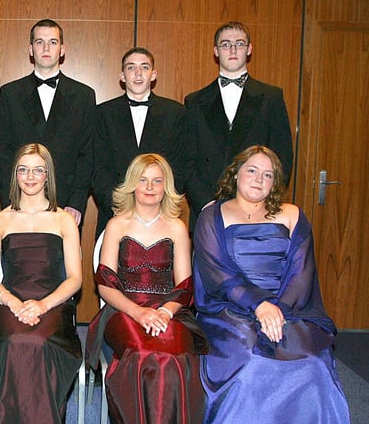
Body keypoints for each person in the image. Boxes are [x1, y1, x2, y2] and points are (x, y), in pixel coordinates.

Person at [193, 145, 350, 423]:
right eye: (252, 171)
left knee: (313, 366)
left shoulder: (292, 215)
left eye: (268, 175)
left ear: (275, 182)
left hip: (288, 309)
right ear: (235, 174)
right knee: (253, 365)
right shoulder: (211, 216)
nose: (258, 179)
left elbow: (302, 272)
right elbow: (217, 274)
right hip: (230, 310)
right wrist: (258, 305)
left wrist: (277, 310)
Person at [86, 154, 208, 424]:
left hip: (169, 311)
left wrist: (164, 312)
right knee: (142, 354)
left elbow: (185, 286)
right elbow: (105, 285)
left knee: (173, 354)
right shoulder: (116, 225)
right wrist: (138, 313)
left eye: (157, 181)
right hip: (123, 310)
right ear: (132, 184)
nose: (150, 187)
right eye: (143, 180)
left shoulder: (177, 227)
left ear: (167, 186)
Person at [0, 143, 82, 423]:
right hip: (9, 301)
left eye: (38, 170)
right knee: (13, 339)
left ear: (48, 176)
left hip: (53, 303)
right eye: (23, 170)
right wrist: (13, 302)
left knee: (38, 340)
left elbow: (76, 279)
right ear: (15, 175)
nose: (30, 177)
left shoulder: (65, 220)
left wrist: (42, 304)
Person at [184, 21, 293, 226]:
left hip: (258, 212)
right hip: (208, 211)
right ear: (216, 51)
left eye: (239, 44)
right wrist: (207, 206)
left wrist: (262, 205)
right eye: (225, 44)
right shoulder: (195, 101)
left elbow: (282, 157)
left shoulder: (271, 97)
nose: (232, 49)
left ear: (249, 49)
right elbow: (187, 162)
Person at [0, 19, 96, 225]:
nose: (46, 48)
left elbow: (87, 154)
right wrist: (11, 199)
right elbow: (2, 151)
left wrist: (77, 202)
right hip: (19, 202)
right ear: (31, 49)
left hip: (65, 202)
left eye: (52, 42)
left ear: (62, 49)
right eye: (40, 42)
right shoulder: (10, 93)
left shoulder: (84, 95)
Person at [93, 47, 188, 237]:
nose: (138, 73)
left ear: (153, 75)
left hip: (161, 217)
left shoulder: (175, 113)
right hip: (115, 215)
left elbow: (181, 166)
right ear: (122, 75)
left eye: (144, 67)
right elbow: (97, 168)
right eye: (131, 68)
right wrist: (121, 206)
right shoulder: (102, 113)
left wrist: (155, 206)